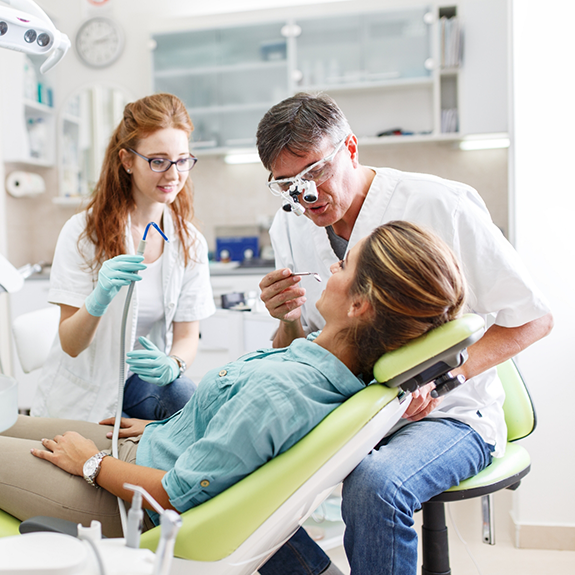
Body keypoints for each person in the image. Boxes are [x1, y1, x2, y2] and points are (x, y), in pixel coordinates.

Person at [2, 222, 465, 542]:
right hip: (149, 451)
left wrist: (92, 463)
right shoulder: (322, 368)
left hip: (125, 499)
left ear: (361, 306)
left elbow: (174, 496)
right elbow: (234, 440)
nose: (330, 271)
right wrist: (172, 429)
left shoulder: (285, 391)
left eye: (343, 267)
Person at [255, 93, 553, 575]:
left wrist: (442, 381)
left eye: (315, 173)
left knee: (376, 484)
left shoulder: (440, 204)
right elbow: (303, 344)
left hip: (450, 415)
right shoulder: (288, 227)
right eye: (288, 184)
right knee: (236, 464)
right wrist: (285, 316)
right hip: (351, 413)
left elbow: (534, 318)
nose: (305, 196)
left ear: (350, 147)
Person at [31, 93, 216, 423]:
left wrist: (173, 363)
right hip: (85, 393)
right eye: (158, 161)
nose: (173, 174)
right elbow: (71, 344)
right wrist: (98, 299)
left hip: (140, 387)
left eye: (182, 159)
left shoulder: (190, 242)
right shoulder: (82, 232)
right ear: (127, 160)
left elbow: (187, 336)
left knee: (186, 397)